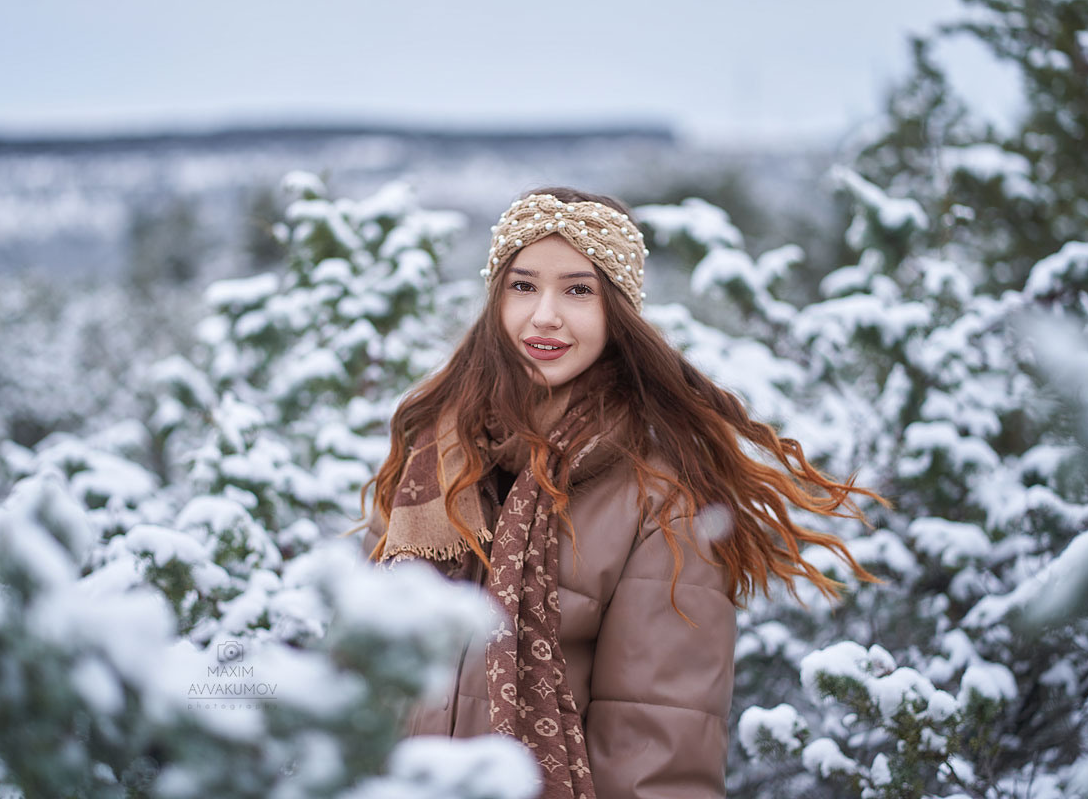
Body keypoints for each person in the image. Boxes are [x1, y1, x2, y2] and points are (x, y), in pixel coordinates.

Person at [359, 187, 883, 799]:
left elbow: (659, 746)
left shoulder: (661, 498)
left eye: (578, 289)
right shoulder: (432, 459)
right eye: (522, 286)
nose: (544, 316)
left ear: (619, 310)